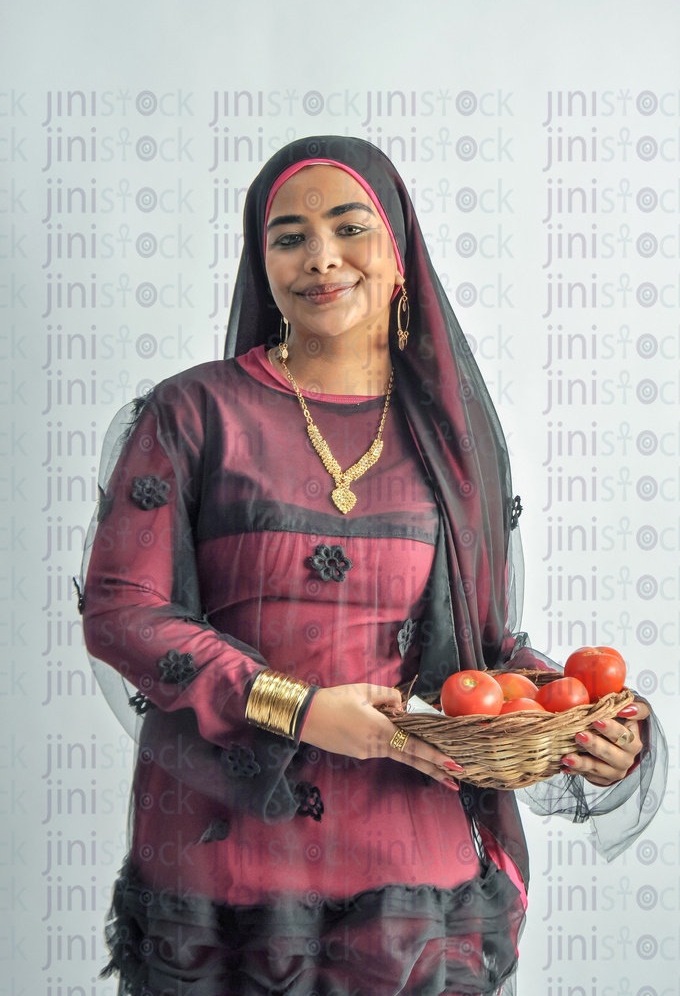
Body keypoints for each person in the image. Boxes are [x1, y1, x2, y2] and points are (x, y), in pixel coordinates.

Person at [81, 136, 664, 996]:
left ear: (400, 255)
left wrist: (578, 726)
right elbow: (122, 610)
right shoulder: (193, 413)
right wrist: (300, 709)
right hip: (231, 862)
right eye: (288, 237)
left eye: (349, 228)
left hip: (410, 869)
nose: (321, 258)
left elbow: (479, 652)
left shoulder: (452, 444)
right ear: (262, 260)